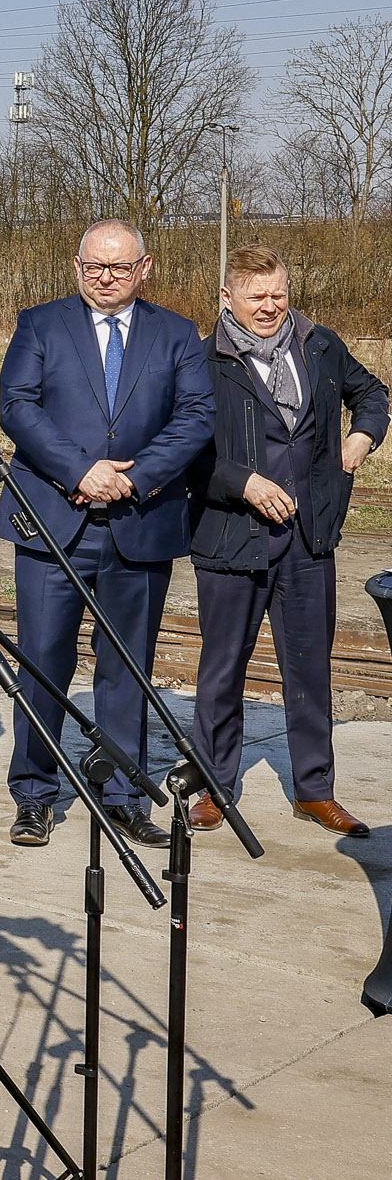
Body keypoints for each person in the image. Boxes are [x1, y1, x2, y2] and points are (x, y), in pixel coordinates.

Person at [0, 218, 213, 848]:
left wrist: (133, 478)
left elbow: (197, 416)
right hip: (52, 526)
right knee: (43, 663)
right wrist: (81, 471)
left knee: (128, 670)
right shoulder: (40, 324)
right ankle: (35, 793)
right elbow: (18, 406)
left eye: (118, 267)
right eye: (94, 266)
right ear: (76, 265)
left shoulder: (177, 334)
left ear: (145, 268)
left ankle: (122, 795)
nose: (105, 278)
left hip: (139, 525)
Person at [189, 246, 387, 836]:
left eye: (278, 294)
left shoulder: (320, 345)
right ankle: (214, 787)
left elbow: (372, 393)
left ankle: (315, 791)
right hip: (232, 538)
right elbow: (184, 454)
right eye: (256, 297)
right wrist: (242, 482)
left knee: (310, 669)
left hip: (309, 538)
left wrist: (362, 437)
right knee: (222, 670)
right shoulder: (201, 361)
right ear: (227, 298)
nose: (270, 306)